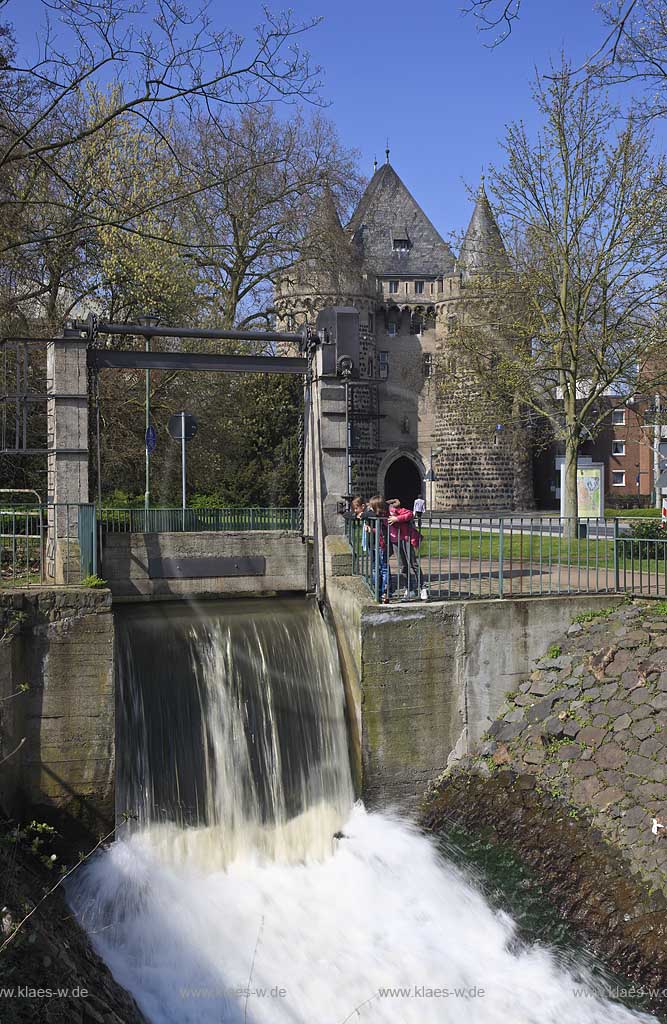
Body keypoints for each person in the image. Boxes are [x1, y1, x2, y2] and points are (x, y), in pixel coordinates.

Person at [388, 500, 422, 599]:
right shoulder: (384, 513)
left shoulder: (398, 511)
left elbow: (410, 514)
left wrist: (397, 518)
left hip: (405, 539)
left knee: (413, 564)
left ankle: (422, 587)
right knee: (402, 566)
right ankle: (409, 588)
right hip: (395, 541)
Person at [362, 495, 391, 602]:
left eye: (372, 506)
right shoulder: (373, 514)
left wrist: (372, 530)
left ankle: (383, 591)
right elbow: (363, 514)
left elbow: (382, 530)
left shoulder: (383, 515)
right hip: (373, 544)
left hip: (380, 545)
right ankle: (377, 590)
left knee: (383, 568)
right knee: (375, 568)